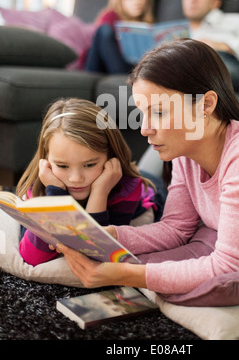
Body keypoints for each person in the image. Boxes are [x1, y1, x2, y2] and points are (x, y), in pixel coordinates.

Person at [56, 39, 239, 307]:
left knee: (218, 285)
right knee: (135, 261)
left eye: (158, 113)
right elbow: (176, 229)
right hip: (220, 238)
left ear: (206, 105)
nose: (145, 129)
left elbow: (232, 264)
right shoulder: (186, 150)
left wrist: (129, 275)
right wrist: (111, 235)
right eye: (142, 114)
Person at [17, 98, 165, 267]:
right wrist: (54, 195)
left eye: (89, 164)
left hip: (150, 191)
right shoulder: (42, 184)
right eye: (62, 166)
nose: (76, 178)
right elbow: (31, 258)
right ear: (46, 160)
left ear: (110, 156)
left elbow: (99, 255)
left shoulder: (127, 188)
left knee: (157, 163)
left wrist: (100, 191)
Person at [84, 0, 154, 74]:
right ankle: (123, 78)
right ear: (120, 0)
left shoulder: (147, 24)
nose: (137, 1)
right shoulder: (111, 16)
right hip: (100, 66)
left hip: (130, 66)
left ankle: (126, 80)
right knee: (104, 30)